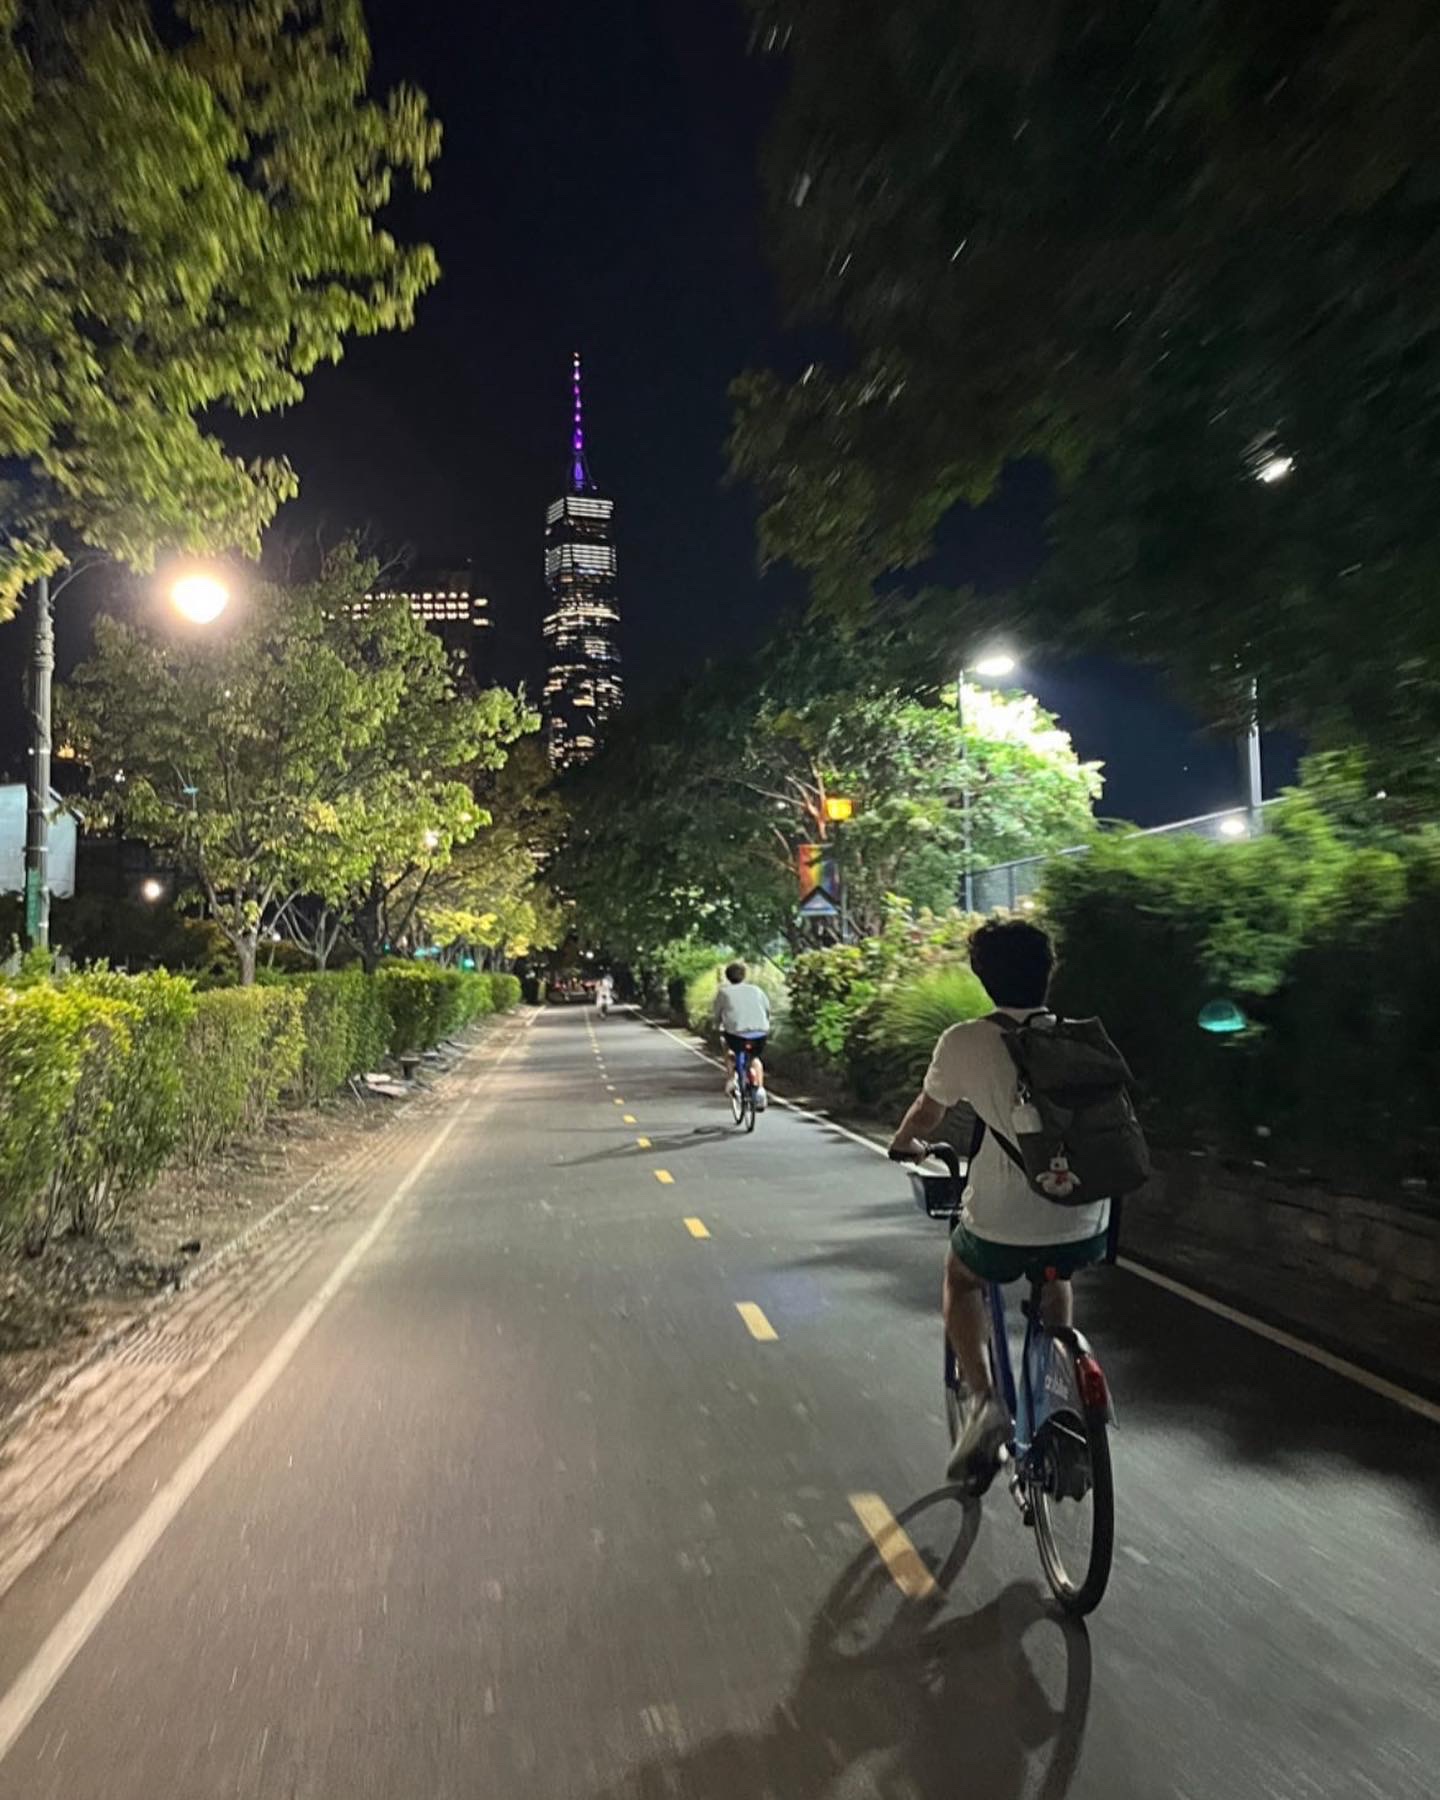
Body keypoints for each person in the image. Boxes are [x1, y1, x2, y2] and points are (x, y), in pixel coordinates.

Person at [888, 919, 1110, 1485]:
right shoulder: (1080, 1038)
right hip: (1088, 1217)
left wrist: (904, 1143)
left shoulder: (966, 1040)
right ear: (1048, 974)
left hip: (1000, 1224)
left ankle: (987, 1402)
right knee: (1055, 1273)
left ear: (983, 977)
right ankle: (1058, 1390)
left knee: (961, 1277)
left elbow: (927, 1114)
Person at [711, 961, 771, 1111]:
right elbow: (767, 1010)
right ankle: (761, 1090)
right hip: (760, 1033)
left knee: (726, 1044)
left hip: (736, 1035)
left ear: (728, 977)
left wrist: (716, 1026)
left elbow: (717, 1014)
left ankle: (731, 1079)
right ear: (744, 975)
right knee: (754, 1059)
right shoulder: (757, 990)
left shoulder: (724, 993)